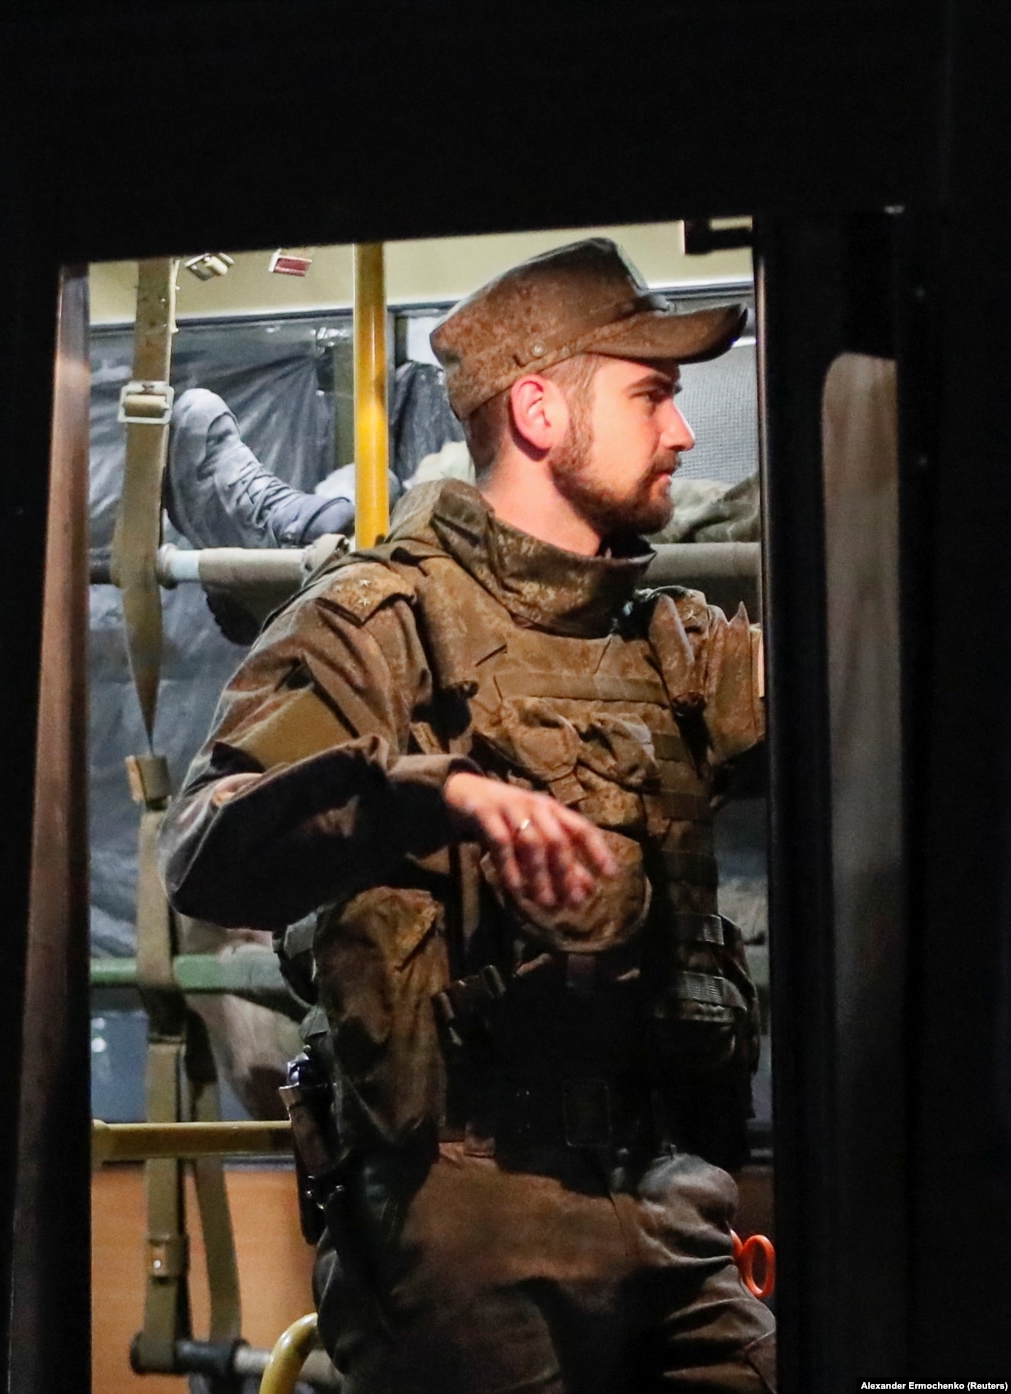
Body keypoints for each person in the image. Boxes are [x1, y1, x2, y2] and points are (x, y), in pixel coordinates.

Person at [159, 238, 775, 1393]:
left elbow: (887, 703)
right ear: (539, 410)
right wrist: (411, 794)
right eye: (652, 395)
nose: (683, 435)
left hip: (675, 1202)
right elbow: (205, 852)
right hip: (465, 1229)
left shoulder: (675, 643)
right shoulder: (374, 625)